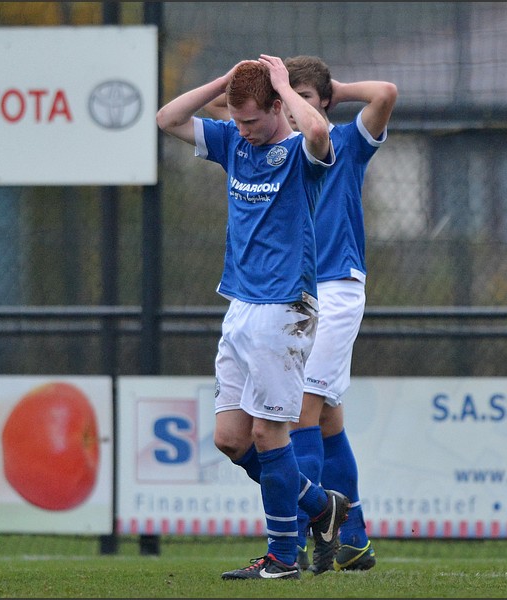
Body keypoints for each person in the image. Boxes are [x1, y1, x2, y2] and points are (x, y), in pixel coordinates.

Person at [156, 55, 348, 581]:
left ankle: (283, 557)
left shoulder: (298, 152)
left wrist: (284, 85)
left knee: (269, 435)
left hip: (285, 307)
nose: (241, 129)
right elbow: (166, 119)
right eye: (235, 120)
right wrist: (223, 82)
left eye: (250, 120)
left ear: (276, 109)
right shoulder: (235, 144)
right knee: (230, 440)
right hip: (241, 305)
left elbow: (318, 128)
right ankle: (318, 507)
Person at [204, 56, 398, 574]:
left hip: (328, 290)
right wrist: (260, 87)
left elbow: (383, 93)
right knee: (326, 415)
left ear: (323, 100)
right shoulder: (265, 148)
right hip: (279, 292)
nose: (296, 105)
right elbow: (219, 114)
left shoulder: (341, 143)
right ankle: (345, 532)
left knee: (302, 411)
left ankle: (296, 544)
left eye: (307, 98)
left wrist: (304, 89)